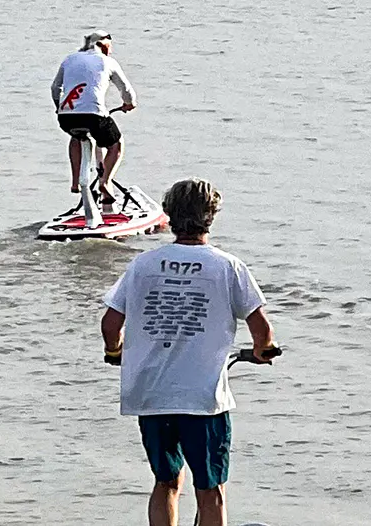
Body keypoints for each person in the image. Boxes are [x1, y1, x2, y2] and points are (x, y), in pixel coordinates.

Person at [101, 179, 278, 526]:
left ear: (169, 215)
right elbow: (263, 331)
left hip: (151, 395)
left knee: (166, 481)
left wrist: (114, 351)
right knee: (210, 488)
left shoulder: (142, 264)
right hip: (202, 398)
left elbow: (110, 323)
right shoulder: (227, 266)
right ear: (211, 217)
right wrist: (263, 351)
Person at [50, 30, 136, 207]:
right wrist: (129, 104)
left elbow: (54, 87)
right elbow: (126, 90)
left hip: (66, 117)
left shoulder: (69, 59)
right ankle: (105, 181)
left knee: (76, 136)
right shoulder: (108, 62)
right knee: (115, 144)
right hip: (94, 115)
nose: (110, 51)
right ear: (104, 46)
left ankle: (75, 182)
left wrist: (60, 106)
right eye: (109, 47)